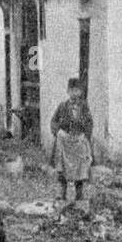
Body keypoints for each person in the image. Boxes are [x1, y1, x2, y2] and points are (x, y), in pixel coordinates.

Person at [49, 77, 94, 205]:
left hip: (79, 141)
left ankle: (79, 197)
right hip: (65, 142)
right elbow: (53, 121)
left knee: (81, 170)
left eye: (77, 90)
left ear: (80, 92)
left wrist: (85, 136)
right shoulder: (62, 106)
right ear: (68, 91)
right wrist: (58, 132)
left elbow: (90, 123)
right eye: (72, 90)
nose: (75, 93)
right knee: (62, 169)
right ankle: (61, 196)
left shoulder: (84, 107)